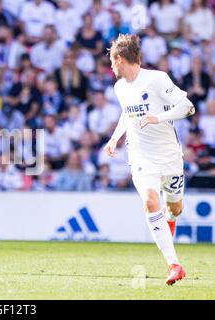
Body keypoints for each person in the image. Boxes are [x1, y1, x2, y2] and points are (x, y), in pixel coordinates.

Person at [104, 34, 195, 285]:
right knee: (150, 201)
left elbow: (187, 107)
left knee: (174, 208)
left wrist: (158, 117)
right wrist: (114, 139)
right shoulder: (120, 87)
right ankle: (174, 264)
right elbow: (127, 113)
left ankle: (171, 221)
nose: (111, 67)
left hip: (169, 157)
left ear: (120, 59)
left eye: (112, 62)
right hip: (141, 156)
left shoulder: (156, 79)